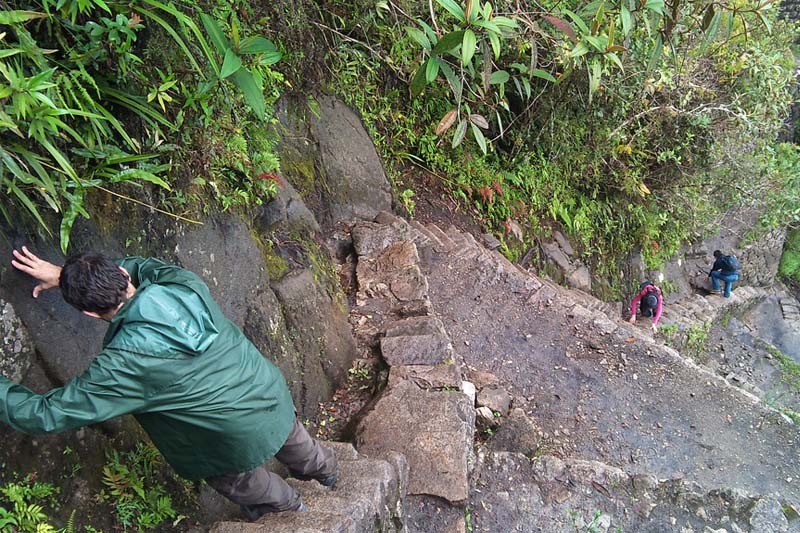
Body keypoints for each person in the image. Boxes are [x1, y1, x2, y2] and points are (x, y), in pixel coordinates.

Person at [2, 247, 338, 519]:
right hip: (267, 391)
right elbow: (145, 267)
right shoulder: (181, 284)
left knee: (237, 478)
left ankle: (291, 510)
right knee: (292, 437)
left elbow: (46, 413)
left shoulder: (122, 363)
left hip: (226, 440)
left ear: (89, 314)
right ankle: (329, 475)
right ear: (121, 274)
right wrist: (66, 275)